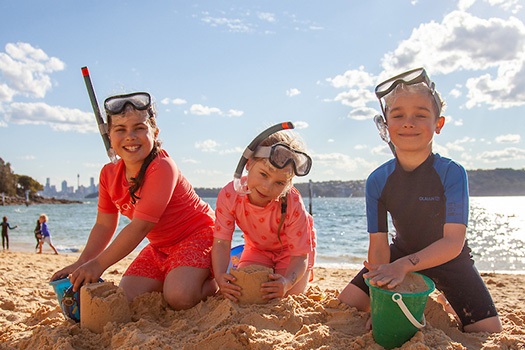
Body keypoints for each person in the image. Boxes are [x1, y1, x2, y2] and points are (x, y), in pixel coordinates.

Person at [338, 67, 502, 333]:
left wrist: (403, 266)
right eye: (398, 115)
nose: (408, 122)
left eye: (420, 115)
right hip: (399, 255)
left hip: (450, 259)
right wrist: (381, 302)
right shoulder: (378, 180)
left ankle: (444, 301)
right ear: (385, 125)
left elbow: (453, 242)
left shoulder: (452, 173)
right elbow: (379, 247)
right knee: (347, 304)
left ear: (439, 124)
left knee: (487, 331)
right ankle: (418, 296)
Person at [51, 92, 217, 310]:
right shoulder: (108, 174)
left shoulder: (163, 166)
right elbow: (104, 224)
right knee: (127, 297)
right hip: (160, 247)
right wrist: (82, 262)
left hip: (199, 236)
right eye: (120, 130)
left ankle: (213, 280)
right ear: (109, 136)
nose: (130, 136)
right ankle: (177, 274)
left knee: (179, 297)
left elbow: (141, 226)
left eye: (139, 128)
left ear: (155, 133)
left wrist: (99, 264)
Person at [212, 125, 316, 302]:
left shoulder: (292, 202)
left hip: (292, 253)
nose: (267, 187)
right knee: (248, 293)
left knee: (287, 296)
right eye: (263, 174)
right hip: (257, 249)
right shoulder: (230, 195)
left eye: (279, 183)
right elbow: (221, 243)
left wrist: (286, 282)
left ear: (288, 184)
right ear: (249, 163)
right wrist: (220, 276)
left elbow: (300, 256)